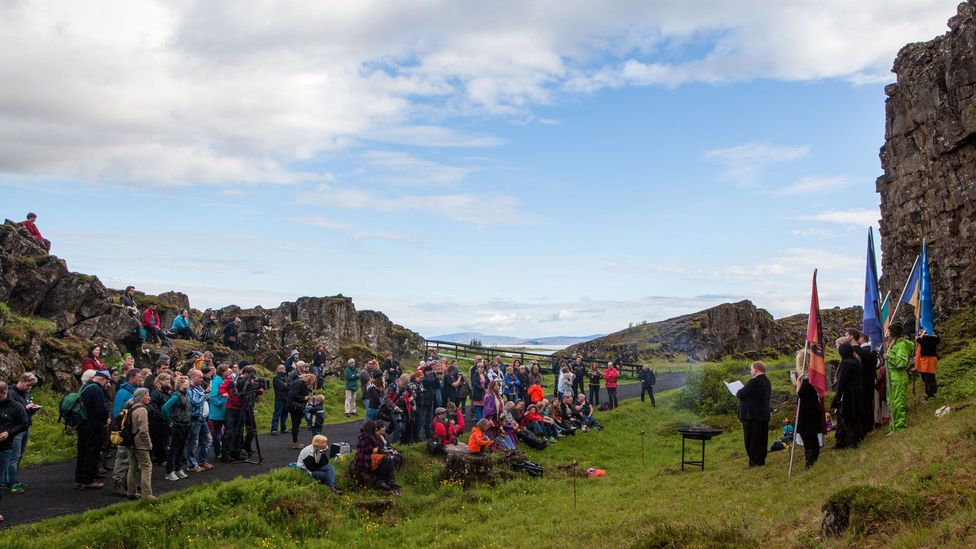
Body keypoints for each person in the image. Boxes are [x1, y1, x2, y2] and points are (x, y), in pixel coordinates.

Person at [75, 370, 111, 489]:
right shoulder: (97, 390)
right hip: (94, 425)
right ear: (102, 379)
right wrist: (106, 418)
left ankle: (79, 479)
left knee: (82, 452)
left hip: (82, 424)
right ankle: (88, 480)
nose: (106, 385)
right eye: (106, 381)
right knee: (92, 452)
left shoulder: (84, 387)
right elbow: (101, 409)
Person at [5, 373, 40, 496]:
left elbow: (25, 412)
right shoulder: (10, 393)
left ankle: (11, 480)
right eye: (28, 385)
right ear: (22, 380)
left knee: (19, 456)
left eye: (31, 386)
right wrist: (26, 408)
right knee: (13, 457)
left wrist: (32, 409)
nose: (29, 388)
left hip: (25, 427)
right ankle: (10, 483)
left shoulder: (24, 394)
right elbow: (11, 413)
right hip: (15, 430)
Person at [111, 368, 143, 496]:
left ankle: (129, 482)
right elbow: (117, 413)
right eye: (138, 377)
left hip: (135, 429)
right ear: (131, 377)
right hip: (126, 430)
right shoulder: (123, 393)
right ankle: (118, 482)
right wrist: (123, 429)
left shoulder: (135, 392)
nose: (141, 379)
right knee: (123, 457)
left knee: (133, 458)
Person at [735, 361, 771, 467]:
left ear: (756, 369)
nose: (751, 371)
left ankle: (754, 461)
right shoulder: (766, 381)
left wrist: (737, 391)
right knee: (762, 439)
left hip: (752, 416)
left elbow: (740, 393)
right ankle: (760, 460)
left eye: (751, 369)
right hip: (763, 415)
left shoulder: (754, 382)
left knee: (751, 439)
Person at [0, 382, 29, 500]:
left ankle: (11, 482)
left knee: (0, 480)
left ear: (4, 393)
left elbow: (24, 424)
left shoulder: (16, 407)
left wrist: (8, 433)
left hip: (5, 446)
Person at [125, 387, 156, 500]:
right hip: (140, 443)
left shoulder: (132, 407)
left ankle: (131, 492)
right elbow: (143, 430)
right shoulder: (142, 410)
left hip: (130, 441)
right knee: (147, 466)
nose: (149, 397)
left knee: (132, 466)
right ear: (140, 397)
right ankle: (147, 494)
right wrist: (149, 444)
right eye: (146, 395)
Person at [832, 342, 863, 449]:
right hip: (857, 391)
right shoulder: (857, 361)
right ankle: (842, 440)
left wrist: (837, 396)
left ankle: (850, 440)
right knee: (852, 416)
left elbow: (842, 381)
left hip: (848, 392)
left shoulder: (845, 363)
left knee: (844, 416)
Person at [161, 376, 191, 481]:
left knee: (181, 448)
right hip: (178, 424)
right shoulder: (176, 396)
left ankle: (178, 469)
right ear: (180, 384)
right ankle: (170, 471)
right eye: (186, 383)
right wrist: (170, 422)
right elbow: (164, 408)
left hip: (185, 424)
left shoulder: (185, 394)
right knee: (174, 449)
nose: (188, 384)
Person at [354, 421, 399, 490]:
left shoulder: (372, 436)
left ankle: (390, 481)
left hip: (371, 457)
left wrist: (378, 449)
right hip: (364, 460)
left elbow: (378, 447)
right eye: (374, 428)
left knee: (388, 458)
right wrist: (376, 449)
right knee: (385, 459)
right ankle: (380, 481)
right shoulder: (363, 437)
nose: (375, 429)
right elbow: (368, 451)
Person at [848, 329, 877, 435]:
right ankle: (870, 426)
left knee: (863, 405)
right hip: (870, 380)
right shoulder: (872, 351)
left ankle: (865, 427)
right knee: (869, 404)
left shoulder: (857, 352)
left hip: (861, 381)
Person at [885, 323, 914, 431]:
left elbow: (902, 362)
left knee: (898, 402)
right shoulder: (892, 344)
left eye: (888, 331)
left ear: (893, 332)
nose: (887, 333)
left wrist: (889, 357)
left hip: (898, 376)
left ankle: (900, 426)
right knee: (891, 402)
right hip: (891, 376)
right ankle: (893, 426)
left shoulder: (902, 345)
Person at [794, 372, 824, 469]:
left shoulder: (806, 380)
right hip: (812, 410)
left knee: (807, 436)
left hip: (808, 412)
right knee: (811, 436)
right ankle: (812, 459)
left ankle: (810, 461)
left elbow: (801, 394)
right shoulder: (812, 378)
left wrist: (798, 381)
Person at [184, 369, 212, 473]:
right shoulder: (189, 389)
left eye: (202, 377)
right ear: (192, 377)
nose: (202, 379)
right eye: (199, 377)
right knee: (193, 442)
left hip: (202, 418)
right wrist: (204, 396)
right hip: (194, 419)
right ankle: (191, 464)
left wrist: (205, 395)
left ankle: (202, 461)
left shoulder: (199, 387)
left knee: (208, 440)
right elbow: (194, 402)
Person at [148, 373, 173, 466]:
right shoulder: (155, 392)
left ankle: (163, 458)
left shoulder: (167, 392)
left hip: (166, 421)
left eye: (169, 380)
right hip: (158, 422)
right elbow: (154, 408)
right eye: (166, 380)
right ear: (160, 381)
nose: (168, 382)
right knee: (159, 441)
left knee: (165, 441)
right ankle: (161, 459)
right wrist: (163, 417)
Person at [287, 374, 316, 449]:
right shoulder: (298, 383)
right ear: (308, 380)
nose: (310, 384)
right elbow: (293, 395)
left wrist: (308, 399)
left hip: (297, 406)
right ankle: (295, 442)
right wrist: (304, 398)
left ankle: (295, 442)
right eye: (310, 382)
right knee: (296, 424)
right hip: (295, 407)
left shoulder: (302, 384)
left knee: (297, 424)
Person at [208, 364, 228, 460]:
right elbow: (213, 396)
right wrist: (221, 402)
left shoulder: (222, 380)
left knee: (222, 431)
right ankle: (217, 451)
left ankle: (224, 450)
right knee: (217, 431)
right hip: (217, 411)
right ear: (222, 372)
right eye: (226, 370)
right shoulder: (217, 381)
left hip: (224, 410)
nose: (228, 372)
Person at [916, 329, 940, 401]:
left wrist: (919, 340)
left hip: (929, 357)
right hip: (923, 358)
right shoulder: (924, 331)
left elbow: (931, 342)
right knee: (925, 377)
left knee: (929, 377)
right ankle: (928, 393)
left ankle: (932, 394)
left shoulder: (931, 331)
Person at [271, 364, 289, 435]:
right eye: (281, 368)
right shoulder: (276, 378)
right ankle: (274, 429)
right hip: (279, 398)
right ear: (277, 369)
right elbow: (284, 387)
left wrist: (286, 384)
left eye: (284, 368)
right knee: (277, 414)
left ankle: (283, 428)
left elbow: (289, 385)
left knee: (285, 414)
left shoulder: (286, 377)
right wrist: (286, 384)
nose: (283, 369)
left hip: (286, 398)